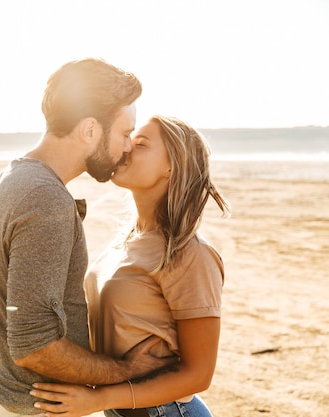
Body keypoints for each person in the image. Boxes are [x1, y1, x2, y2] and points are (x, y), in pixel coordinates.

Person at [0, 59, 176, 416]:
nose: (128, 147)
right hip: (30, 409)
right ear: (90, 130)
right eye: (125, 133)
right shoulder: (45, 199)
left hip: (0, 393)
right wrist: (126, 372)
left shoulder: (13, 176)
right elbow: (34, 346)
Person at [29, 115, 230, 417]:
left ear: (171, 167)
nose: (125, 149)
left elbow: (198, 375)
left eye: (141, 144)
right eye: (128, 139)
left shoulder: (189, 254)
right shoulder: (127, 240)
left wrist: (99, 399)